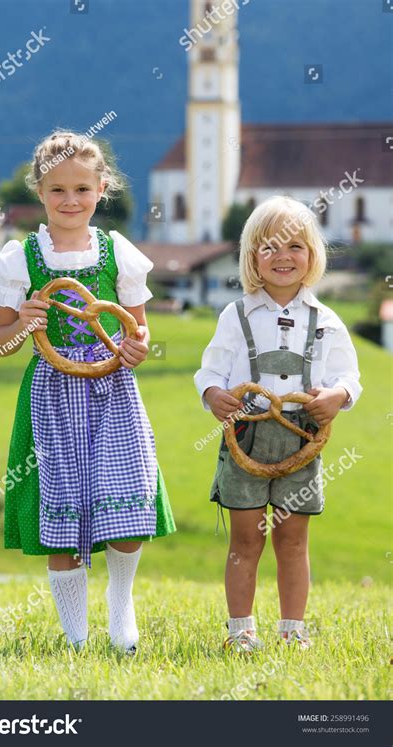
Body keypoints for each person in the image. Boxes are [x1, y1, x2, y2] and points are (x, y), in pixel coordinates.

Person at [0, 130, 176, 654]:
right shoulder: (20, 258)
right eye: (58, 190)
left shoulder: (119, 252)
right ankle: (74, 635)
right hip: (50, 394)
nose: (70, 201)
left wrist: (138, 348)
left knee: (128, 502)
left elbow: (136, 330)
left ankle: (121, 608)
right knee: (61, 509)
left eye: (81, 190)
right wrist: (24, 323)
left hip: (112, 389)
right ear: (39, 192)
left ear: (102, 189)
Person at [194, 196, 362, 652]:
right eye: (268, 247)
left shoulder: (326, 321)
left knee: (292, 539)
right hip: (246, 435)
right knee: (246, 539)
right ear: (252, 258)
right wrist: (213, 394)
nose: (282, 256)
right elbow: (208, 372)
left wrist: (338, 395)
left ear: (312, 255)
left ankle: (292, 631)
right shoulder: (236, 315)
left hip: (300, 438)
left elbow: (350, 377)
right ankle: (241, 632)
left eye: (294, 246)